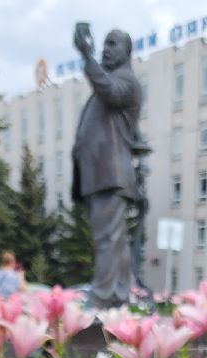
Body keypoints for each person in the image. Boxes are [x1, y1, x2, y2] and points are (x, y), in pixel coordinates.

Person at [71, 26, 141, 309]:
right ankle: (118, 295)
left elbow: (109, 91)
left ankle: (102, 298)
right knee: (115, 239)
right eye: (104, 44)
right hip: (101, 175)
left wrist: (87, 56)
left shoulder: (126, 81)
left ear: (127, 51)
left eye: (112, 44)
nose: (105, 49)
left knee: (108, 239)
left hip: (111, 174)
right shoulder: (116, 80)